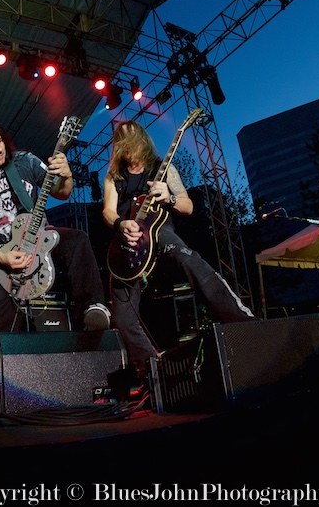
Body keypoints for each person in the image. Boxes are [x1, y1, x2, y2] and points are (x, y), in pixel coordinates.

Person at [102, 120, 255, 380]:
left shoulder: (163, 169)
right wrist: (120, 223)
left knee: (190, 261)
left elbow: (188, 206)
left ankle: (245, 325)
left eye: (130, 140)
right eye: (121, 142)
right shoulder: (113, 177)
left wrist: (169, 197)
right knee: (122, 311)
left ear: (141, 140)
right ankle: (152, 371)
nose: (125, 147)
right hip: (128, 242)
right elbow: (108, 210)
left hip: (159, 233)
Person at [0, 119, 111, 333]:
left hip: (40, 237)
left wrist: (67, 175)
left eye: (0, 141)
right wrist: (2, 258)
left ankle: (93, 306)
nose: (0, 149)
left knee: (78, 239)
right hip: (1, 254)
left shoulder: (25, 161)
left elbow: (62, 193)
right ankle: (5, 362)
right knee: (2, 323)